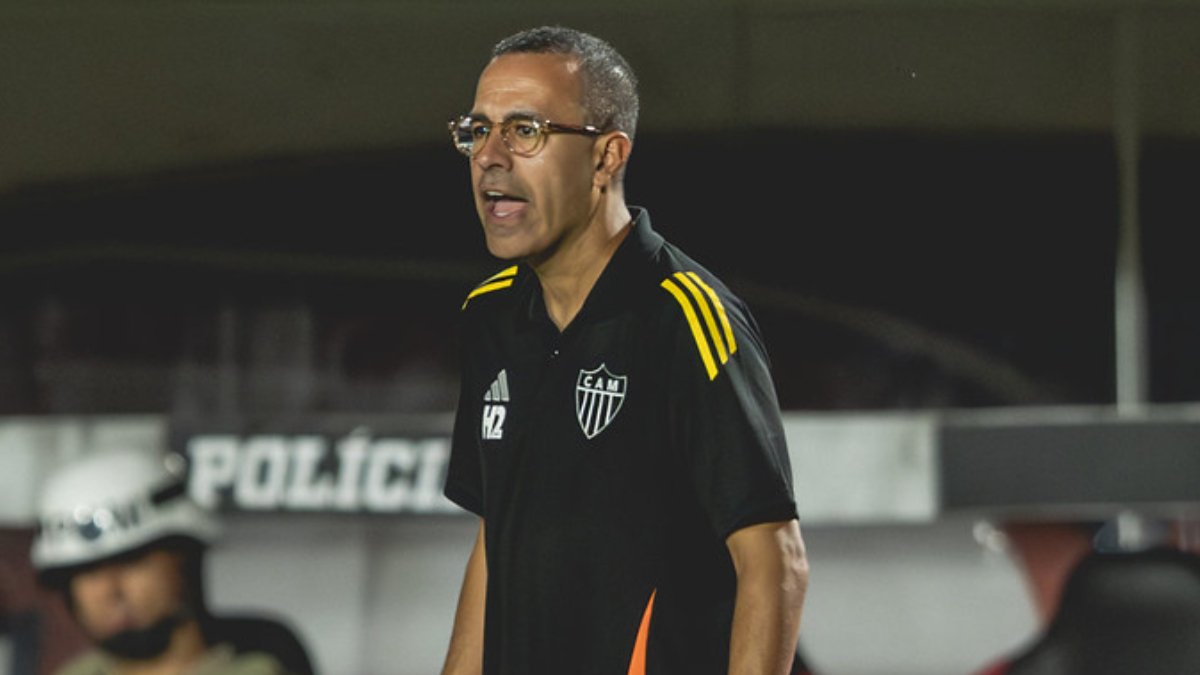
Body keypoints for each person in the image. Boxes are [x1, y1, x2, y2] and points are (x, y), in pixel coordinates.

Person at [440, 25, 810, 675]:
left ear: (607, 157)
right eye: (478, 130)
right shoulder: (488, 315)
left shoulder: (687, 319)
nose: (489, 156)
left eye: (525, 130)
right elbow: (494, 540)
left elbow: (775, 560)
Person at [30, 448, 316, 675]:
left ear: (186, 557)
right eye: (87, 572)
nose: (109, 590)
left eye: (131, 561)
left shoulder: (262, 667)